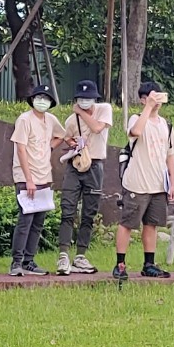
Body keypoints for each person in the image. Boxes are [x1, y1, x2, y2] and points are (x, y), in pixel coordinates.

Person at [113, 81, 174, 282]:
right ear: (142, 99)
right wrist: (148, 108)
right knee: (127, 223)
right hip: (137, 183)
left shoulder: (166, 124)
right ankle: (120, 264)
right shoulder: (136, 118)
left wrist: (173, 184)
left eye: (158, 96)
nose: (156, 100)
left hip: (158, 184)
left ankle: (149, 264)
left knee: (152, 224)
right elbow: (135, 132)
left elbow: (170, 156)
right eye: (151, 96)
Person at [56, 79, 111, 275]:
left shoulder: (104, 109)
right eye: (81, 99)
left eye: (88, 98)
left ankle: (80, 256)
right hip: (76, 164)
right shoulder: (71, 120)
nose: (84, 101)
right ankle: (63, 255)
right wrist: (73, 143)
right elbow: (66, 136)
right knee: (67, 209)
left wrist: (80, 112)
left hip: (95, 165)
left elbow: (97, 128)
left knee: (89, 213)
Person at [9, 83, 65, 276]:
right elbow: (21, 149)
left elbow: (61, 135)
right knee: (25, 220)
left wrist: (50, 146)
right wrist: (28, 179)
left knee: (38, 221)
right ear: (32, 100)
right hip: (26, 176)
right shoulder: (24, 120)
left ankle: (29, 260)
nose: (42, 101)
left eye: (46, 99)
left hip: (44, 175)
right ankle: (16, 262)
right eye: (39, 98)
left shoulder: (51, 120)